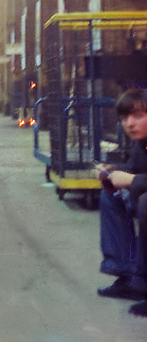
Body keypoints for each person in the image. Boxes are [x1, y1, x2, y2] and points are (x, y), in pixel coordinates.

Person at [96, 88, 147, 316]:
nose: (130, 123)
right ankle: (130, 277)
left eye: (137, 116)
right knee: (111, 195)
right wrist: (113, 173)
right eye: (125, 118)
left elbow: (136, 178)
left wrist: (132, 180)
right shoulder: (141, 144)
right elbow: (135, 170)